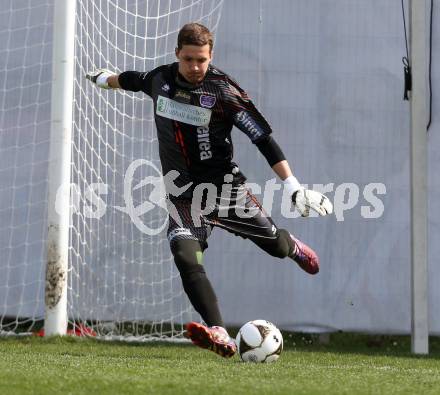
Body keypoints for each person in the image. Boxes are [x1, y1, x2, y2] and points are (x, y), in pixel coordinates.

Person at [86, 22, 332, 358]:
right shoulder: (160, 80)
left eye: (201, 59)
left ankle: (291, 247)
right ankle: (219, 331)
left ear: (210, 55)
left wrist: (293, 186)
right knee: (186, 255)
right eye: (188, 59)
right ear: (177, 55)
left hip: (226, 191)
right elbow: (132, 79)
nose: (195, 67)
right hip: (184, 196)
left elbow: (261, 138)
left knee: (274, 245)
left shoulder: (223, 91)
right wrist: (106, 80)